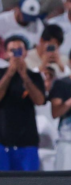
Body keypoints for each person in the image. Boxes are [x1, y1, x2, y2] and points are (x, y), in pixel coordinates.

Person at [0, 36, 46, 171]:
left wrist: (25, 76)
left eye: (19, 50)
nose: (16, 54)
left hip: (27, 142)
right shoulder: (1, 74)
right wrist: (9, 74)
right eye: (12, 51)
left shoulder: (35, 76)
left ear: (26, 52)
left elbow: (39, 101)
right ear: (6, 53)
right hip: (2, 140)